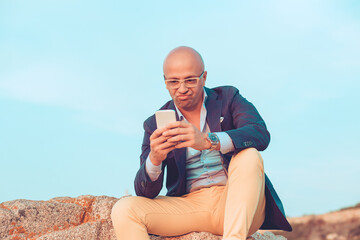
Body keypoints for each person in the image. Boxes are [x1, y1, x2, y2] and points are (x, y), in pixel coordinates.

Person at [111, 46, 292, 240]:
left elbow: (259, 133)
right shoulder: (153, 125)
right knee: (124, 208)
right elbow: (144, 191)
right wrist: (154, 159)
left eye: (190, 80)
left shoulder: (229, 98)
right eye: (173, 81)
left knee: (249, 155)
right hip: (188, 207)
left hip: (238, 201)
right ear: (165, 82)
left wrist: (208, 140)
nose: (182, 89)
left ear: (204, 77)